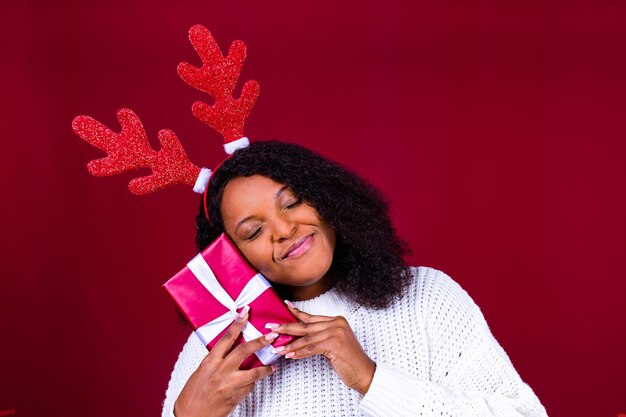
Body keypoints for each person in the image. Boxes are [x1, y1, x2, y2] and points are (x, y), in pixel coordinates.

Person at [161, 141, 548, 417]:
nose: (283, 229)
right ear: (232, 257)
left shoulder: (429, 297)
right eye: (253, 232)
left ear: (327, 198)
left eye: (292, 202)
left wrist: (370, 378)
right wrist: (188, 416)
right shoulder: (222, 348)